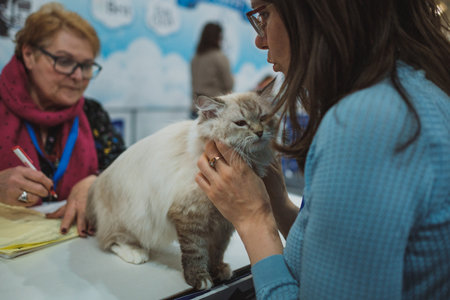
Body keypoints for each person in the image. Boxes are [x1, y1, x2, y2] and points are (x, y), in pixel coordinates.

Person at [196, 0, 450, 299]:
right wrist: (278, 203)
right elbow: (334, 257)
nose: (260, 39)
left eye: (264, 14)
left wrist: (253, 219)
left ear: (317, 12)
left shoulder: (367, 123)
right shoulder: (413, 91)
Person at [0, 3, 125, 237]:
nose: (78, 76)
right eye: (65, 61)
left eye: (86, 66)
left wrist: (97, 184)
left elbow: (126, 168)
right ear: (29, 55)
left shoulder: (92, 113)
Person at [190, 22, 234, 119]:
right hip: (214, 112)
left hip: (195, 109)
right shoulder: (219, 57)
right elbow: (229, 84)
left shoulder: (195, 58)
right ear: (219, 37)